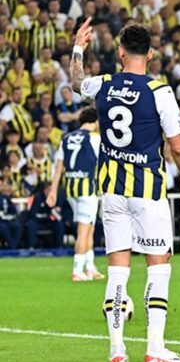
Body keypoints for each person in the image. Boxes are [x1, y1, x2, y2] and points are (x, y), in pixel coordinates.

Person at [71, 19, 180, 362]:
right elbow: (178, 146)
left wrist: (79, 47)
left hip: (112, 192)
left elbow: (77, 83)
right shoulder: (159, 91)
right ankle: (155, 348)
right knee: (158, 266)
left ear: (120, 52)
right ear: (150, 54)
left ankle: (116, 350)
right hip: (148, 191)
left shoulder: (103, 84)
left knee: (117, 270)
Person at [46, 108, 104, 281]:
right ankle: (77, 270)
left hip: (71, 188)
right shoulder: (95, 138)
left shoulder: (66, 138)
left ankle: (90, 267)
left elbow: (58, 167)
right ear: (95, 121)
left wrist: (53, 191)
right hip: (87, 188)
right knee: (84, 230)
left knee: (89, 227)